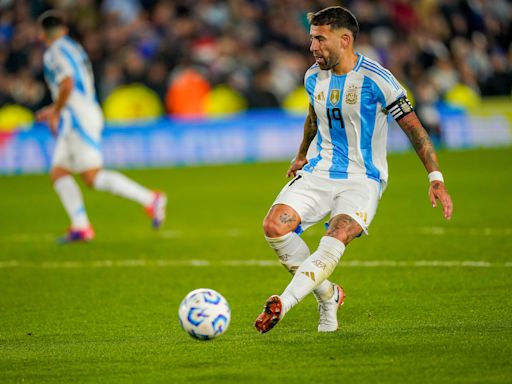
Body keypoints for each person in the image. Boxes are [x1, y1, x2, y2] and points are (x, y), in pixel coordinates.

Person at [254, 6, 453, 334]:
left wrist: (435, 177)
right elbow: (314, 116)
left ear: (345, 40)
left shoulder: (377, 79)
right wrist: (301, 154)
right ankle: (329, 295)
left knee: (338, 234)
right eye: (311, 39)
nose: (312, 47)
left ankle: (284, 303)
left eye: (320, 39)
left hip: (363, 179)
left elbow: (414, 128)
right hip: (320, 171)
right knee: (274, 226)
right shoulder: (312, 76)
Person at [35, 10, 167, 243]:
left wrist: (55, 111)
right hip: (79, 113)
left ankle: (150, 199)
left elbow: (68, 82)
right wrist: (57, 110)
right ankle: (81, 226)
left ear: (42, 34)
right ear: (63, 29)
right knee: (59, 172)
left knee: (92, 177)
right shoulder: (73, 47)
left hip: (77, 117)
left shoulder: (54, 51)